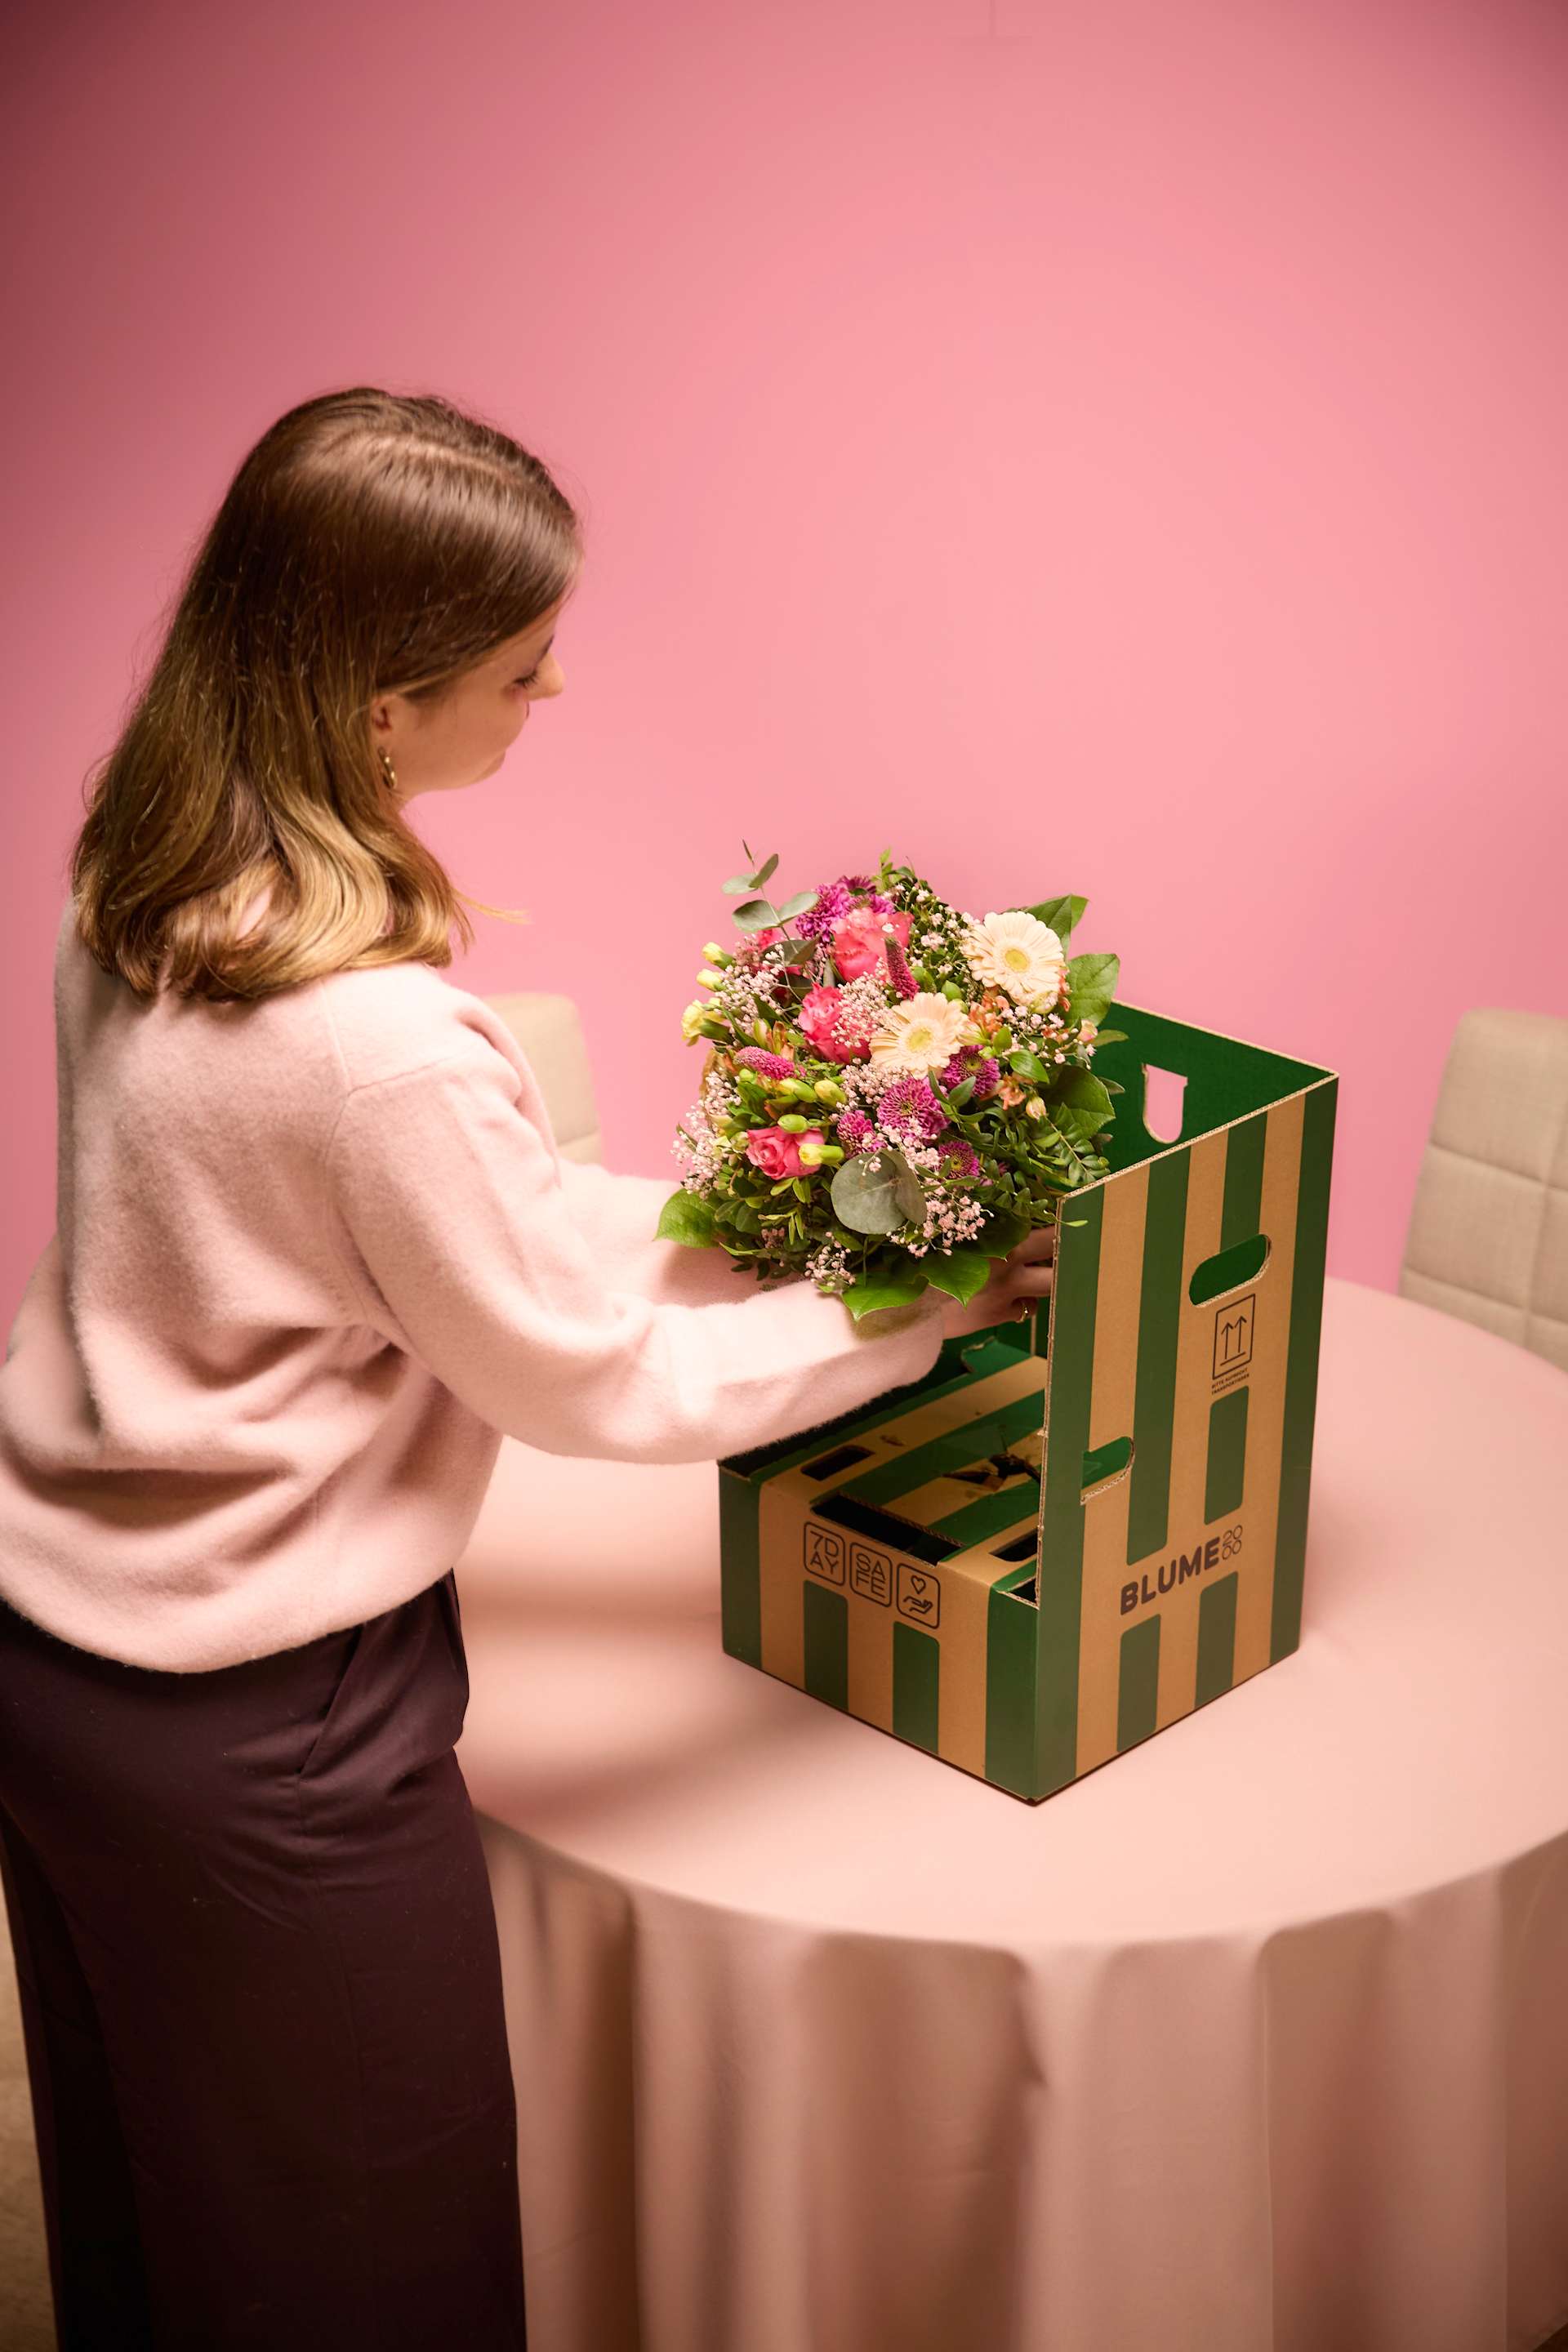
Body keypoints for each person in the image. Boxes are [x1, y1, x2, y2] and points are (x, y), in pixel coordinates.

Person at [0, 385, 1056, 2350]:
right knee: (368, 2266)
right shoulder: (379, 1046)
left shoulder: (131, 892)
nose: (550, 690)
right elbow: (587, 1380)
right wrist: (917, 1310)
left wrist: (784, 1201)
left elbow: (442, 1230)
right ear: (377, 704)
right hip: (267, 1721)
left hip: (59, 1666)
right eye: (516, 661)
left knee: (156, 2206)